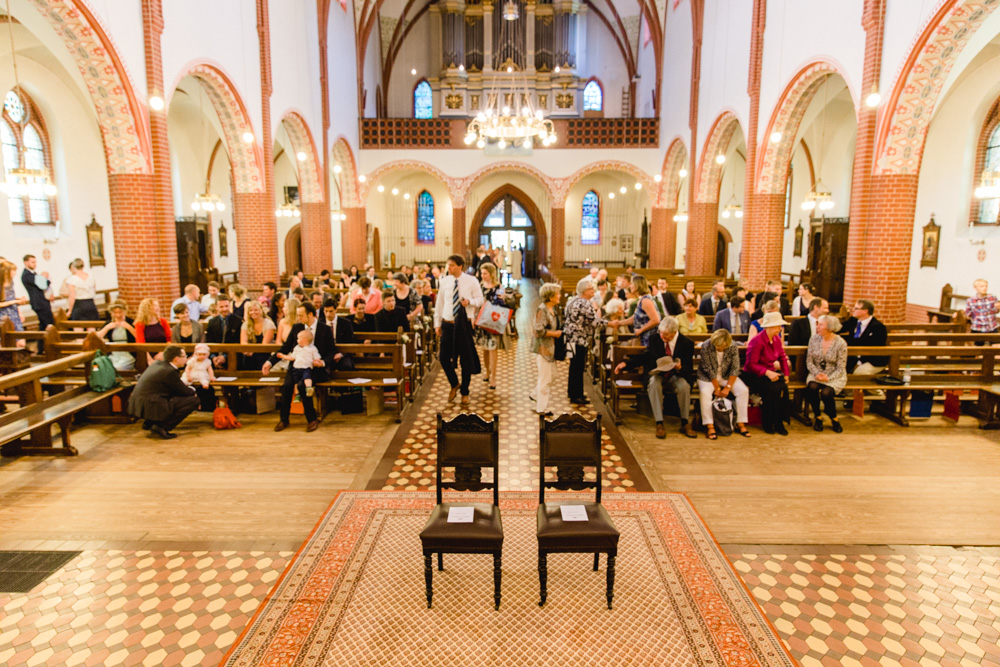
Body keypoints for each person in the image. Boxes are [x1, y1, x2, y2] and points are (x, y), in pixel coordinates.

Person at [263, 302, 341, 432]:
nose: (298, 318)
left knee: (302, 385)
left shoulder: (324, 329)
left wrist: (322, 362)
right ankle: (284, 419)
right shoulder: (297, 327)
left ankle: (311, 419)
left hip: (316, 369)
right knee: (287, 386)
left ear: (310, 315)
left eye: (300, 315)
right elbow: (285, 348)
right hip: (297, 366)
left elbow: (332, 351)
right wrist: (269, 362)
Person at [615, 316, 697, 439]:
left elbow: (688, 369)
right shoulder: (655, 338)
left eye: (666, 336)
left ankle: (685, 422)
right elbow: (645, 356)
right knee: (653, 382)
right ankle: (659, 422)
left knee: (684, 386)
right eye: (661, 334)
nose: (662, 338)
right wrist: (626, 364)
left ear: (675, 333)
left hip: (675, 375)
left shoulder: (686, 343)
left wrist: (679, 368)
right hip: (658, 375)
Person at [435, 254, 484, 406]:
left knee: (465, 360)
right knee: (443, 357)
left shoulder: (471, 280)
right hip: (447, 323)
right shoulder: (445, 281)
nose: (448, 268)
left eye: (451, 265)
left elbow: (480, 300)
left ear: (460, 266)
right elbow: (440, 303)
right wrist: (437, 323)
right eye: (448, 265)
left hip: (464, 324)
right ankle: (454, 383)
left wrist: (470, 302)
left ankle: (465, 391)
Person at [127, 345, 199, 439]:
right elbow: (184, 391)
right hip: (151, 404)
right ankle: (162, 427)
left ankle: (150, 422)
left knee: (176, 397)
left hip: (140, 403)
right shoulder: (169, 371)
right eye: (184, 356)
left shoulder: (158, 364)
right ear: (176, 359)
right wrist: (193, 390)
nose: (186, 359)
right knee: (194, 400)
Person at [741, 311, 791, 435]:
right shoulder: (756, 341)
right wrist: (767, 373)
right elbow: (751, 365)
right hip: (753, 375)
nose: (780, 329)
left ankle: (779, 422)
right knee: (771, 389)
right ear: (768, 327)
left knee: (783, 387)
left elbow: (782, 357)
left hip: (770, 372)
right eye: (777, 326)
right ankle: (768, 423)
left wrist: (786, 374)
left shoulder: (776, 339)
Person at [563, 277, 611, 405]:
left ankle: (573, 392)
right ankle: (576, 395)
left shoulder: (572, 300)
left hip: (570, 338)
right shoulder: (584, 303)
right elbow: (594, 322)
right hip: (579, 340)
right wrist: (611, 324)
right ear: (584, 291)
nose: (593, 291)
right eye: (591, 289)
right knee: (578, 367)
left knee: (574, 366)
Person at [696, 329, 751, 439]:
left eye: (723, 346)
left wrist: (727, 387)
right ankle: (709, 425)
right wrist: (717, 387)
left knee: (743, 390)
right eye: (718, 347)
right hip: (707, 377)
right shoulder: (707, 345)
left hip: (725, 375)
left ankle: (740, 422)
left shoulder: (732, 346)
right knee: (705, 393)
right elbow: (708, 369)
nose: (721, 348)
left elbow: (735, 368)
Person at [805, 315, 848, 433]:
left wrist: (828, 377)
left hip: (834, 375)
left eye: (820, 324)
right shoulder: (814, 339)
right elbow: (809, 361)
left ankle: (834, 418)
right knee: (812, 387)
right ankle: (817, 417)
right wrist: (817, 373)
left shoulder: (841, 343)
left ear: (829, 327)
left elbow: (841, 367)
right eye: (817, 324)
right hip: (816, 372)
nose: (817, 327)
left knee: (826, 393)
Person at [475, 263, 510, 390]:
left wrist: (503, 297)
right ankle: (487, 371)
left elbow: (502, 302)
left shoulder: (499, 286)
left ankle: (493, 376)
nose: (482, 275)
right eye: (481, 273)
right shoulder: (480, 286)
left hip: (493, 320)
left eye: (485, 273)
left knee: (492, 349)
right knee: (484, 348)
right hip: (482, 320)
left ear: (491, 274)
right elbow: (476, 302)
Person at [531, 282, 562, 416]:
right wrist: (554, 334)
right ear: (550, 296)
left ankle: (534, 394)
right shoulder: (542, 309)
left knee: (552, 375)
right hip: (543, 348)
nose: (560, 296)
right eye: (557, 294)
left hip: (550, 348)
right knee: (545, 379)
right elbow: (538, 330)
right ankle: (541, 408)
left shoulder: (551, 309)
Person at [840, 299, 888, 374]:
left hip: (871, 359)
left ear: (865, 311)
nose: (853, 310)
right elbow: (839, 328)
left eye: (856, 308)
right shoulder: (853, 320)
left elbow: (874, 348)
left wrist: (858, 363)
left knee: (858, 373)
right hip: (853, 356)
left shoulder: (878, 327)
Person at [619, 274, 660, 346]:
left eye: (632, 284)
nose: (630, 286)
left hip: (649, 338)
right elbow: (635, 317)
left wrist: (641, 330)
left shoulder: (646, 301)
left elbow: (655, 320)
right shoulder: (641, 300)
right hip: (643, 337)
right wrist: (620, 323)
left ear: (637, 285)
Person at [278, 329, 321, 396]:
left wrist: (317, 361)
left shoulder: (312, 348)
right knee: (296, 382)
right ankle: (297, 394)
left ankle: (309, 388)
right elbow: (292, 357)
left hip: (306, 368)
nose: (297, 340)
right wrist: (283, 356)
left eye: (298, 338)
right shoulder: (297, 348)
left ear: (304, 340)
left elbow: (317, 357)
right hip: (297, 368)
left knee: (307, 377)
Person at [205, 295, 243, 369]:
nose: (225, 309)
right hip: (215, 358)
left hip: (234, 357)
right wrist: (213, 357)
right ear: (216, 307)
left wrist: (225, 356)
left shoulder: (238, 321)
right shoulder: (212, 322)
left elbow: (238, 342)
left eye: (226, 306)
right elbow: (209, 341)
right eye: (221, 307)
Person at [21, 254, 54, 338]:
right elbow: (44, 284)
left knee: (43, 327)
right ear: (26, 262)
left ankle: (41, 349)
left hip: (43, 302)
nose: (34, 264)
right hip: (39, 303)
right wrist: (46, 279)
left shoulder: (33, 273)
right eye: (32, 262)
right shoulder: (27, 275)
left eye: (35, 262)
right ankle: (48, 347)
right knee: (49, 325)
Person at [98, 301, 136, 371]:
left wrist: (129, 328)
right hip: (114, 353)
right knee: (105, 366)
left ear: (125, 311)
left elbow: (139, 337)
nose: (118, 315)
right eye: (115, 313)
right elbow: (97, 337)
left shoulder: (131, 322)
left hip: (128, 353)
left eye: (120, 312)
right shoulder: (109, 323)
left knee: (118, 367)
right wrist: (106, 328)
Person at [240, 300, 276, 371]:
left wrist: (253, 350)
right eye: (251, 310)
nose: (253, 312)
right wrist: (248, 350)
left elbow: (265, 344)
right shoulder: (246, 324)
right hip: (250, 353)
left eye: (256, 310)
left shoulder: (268, 324)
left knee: (260, 357)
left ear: (261, 310)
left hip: (264, 353)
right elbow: (243, 342)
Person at [964, 279, 1000, 345]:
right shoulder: (971, 300)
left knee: (996, 347)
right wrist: (958, 314)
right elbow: (967, 313)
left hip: (991, 327)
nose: (984, 288)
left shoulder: (992, 298)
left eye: (986, 286)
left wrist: (998, 308)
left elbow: (996, 311)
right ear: (975, 288)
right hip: (978, 328)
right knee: (978, 348)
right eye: (982, 286)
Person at [183, 342, 216, 411]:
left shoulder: (207, 361)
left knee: (204, 380)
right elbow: (187, 369)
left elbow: (210, 370)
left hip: (202, 374)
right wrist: (188, 376)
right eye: (199, 354)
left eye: (204, 354)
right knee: (184, 381)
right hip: (193, 374)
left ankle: (205, 385)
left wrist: (211, 376)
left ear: (207, 355)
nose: (201, 356)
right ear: (195, 354)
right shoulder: (192, 361)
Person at [0, 259, 26, 338]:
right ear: (6, 271)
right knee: (7, 340)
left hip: (14, 313)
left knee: (20, 340)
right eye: (13, 270)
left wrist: (19, 300)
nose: (15, 273)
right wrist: (14, 301)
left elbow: (10, 297)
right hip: (4, 314)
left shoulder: (11, 283)